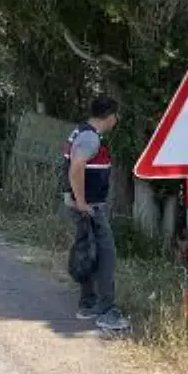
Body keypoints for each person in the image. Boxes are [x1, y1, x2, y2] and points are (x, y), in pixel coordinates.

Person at [61, 94, 130, 332]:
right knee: (105, 257)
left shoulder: (81, 132)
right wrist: (82, 202)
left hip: (81, 205)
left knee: (87, 253)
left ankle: (87, 305)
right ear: (110, 116)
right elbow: (76, 168)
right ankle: (107, 312)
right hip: (90, 207)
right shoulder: (90, 138)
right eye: (116, 115)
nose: (116, 119)